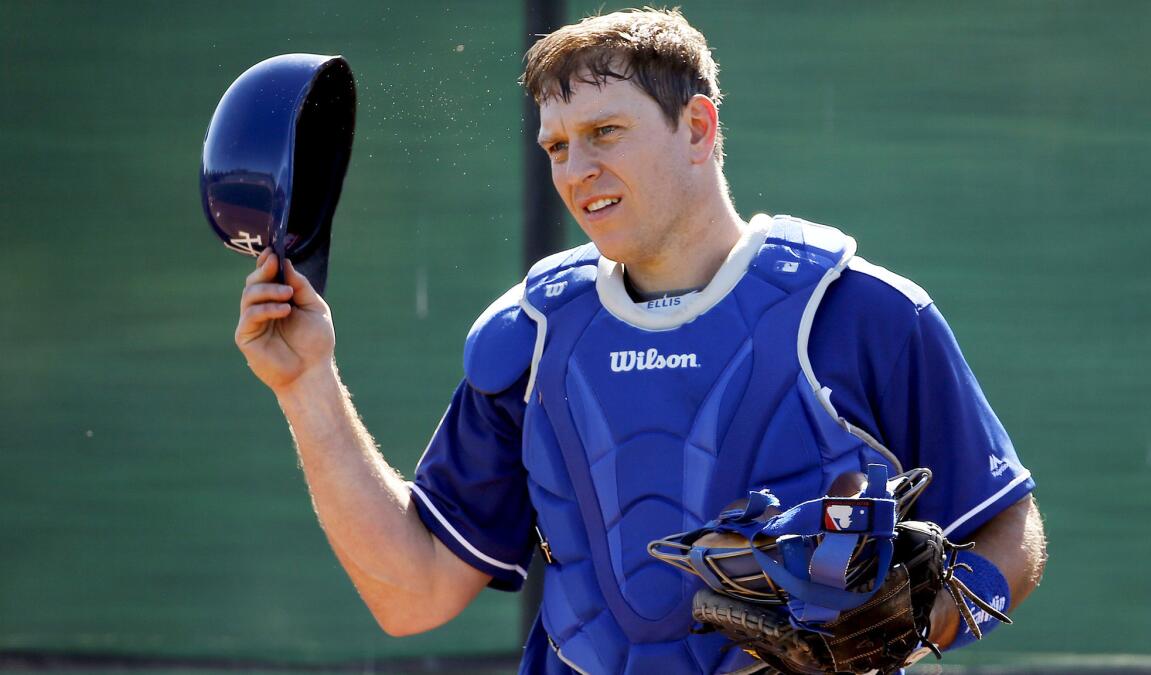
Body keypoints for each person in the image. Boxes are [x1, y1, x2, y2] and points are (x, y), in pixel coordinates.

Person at [235, 8, 1046, 674]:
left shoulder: (861, 312)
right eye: (557, 145)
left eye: (606, 132)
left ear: (697, 127)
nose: (574, 168)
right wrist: (306, 384)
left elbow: (1010, 533)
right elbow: (412, 593)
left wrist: (913, 625)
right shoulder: (533, 335)